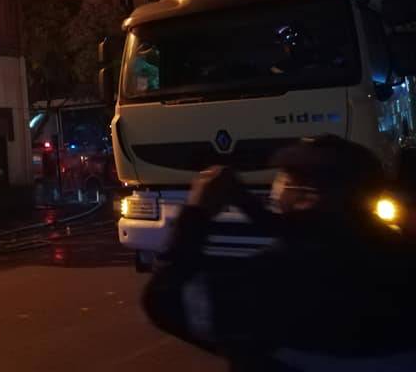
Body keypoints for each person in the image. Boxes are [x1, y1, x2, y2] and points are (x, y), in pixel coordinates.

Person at [142, 135, 416, 370]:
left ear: (308, 196)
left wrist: (196, 214)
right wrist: (249, 205)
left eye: (286, 178)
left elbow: (163, 299)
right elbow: (321, 233)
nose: (278, 186)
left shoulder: (270, 282)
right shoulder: (400, 260)